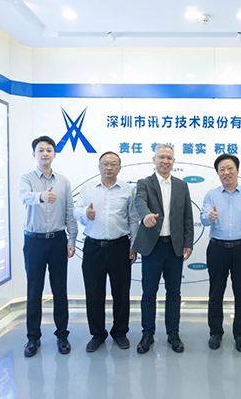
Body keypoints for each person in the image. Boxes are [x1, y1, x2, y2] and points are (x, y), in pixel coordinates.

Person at [73, 151, 139, 352]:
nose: (109, 167)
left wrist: (134, 245)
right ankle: (97, 334)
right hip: (93, 247)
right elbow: (76, 210)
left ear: (119, 168)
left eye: (113, 164)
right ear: (99, 167)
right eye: (105, 164)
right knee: (94, 293)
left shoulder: (128, 190)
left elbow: (133, 219)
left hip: (120, 246)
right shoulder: (88, 189)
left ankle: (120, 332)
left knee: (121, 293)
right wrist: (86, 213)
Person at [18, 135, 77, 357]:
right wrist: (41, 196)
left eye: (49, 150)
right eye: (41, 150)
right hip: (34, 241)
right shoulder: (26, 179)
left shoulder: (63, 181)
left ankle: (62, 335)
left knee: (60, 290)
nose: (45, 153)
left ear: (54, 154)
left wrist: (71, 240)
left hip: (58, 240)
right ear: (34, 154)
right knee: (34, 291)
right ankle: (33, 338)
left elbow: (70, 211)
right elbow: (24, 198)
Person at [133, 144, 193, 354]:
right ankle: (147, 333)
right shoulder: (144, 183)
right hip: (153, 247)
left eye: (169, 158)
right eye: (161, 157)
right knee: (149, 292)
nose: (165, 161)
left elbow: (187, 216)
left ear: (173, 161)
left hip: (175, 247)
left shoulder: (181, 186)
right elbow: (139, 202)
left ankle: (173, 333)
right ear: (154, 160)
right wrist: (146, 215)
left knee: (174, 293)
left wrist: (188, 242)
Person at [200, 154, 241, 352]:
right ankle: (215, 333)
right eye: (222, 169)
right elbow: (203, 219)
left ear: (237, 170)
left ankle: (240, 335)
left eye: (230, 168)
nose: (226, 172)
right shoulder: (211, 195)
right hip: (217, 248)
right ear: (218, 173)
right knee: (215, 293)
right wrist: (209, 217)